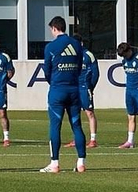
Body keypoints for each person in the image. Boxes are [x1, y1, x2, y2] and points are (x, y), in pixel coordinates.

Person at [39, 16, 89, 173]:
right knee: (77, 125)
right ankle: (81, 162)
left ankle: (54, 163)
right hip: (74, 90)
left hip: (57, 90)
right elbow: (80, 65)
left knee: (55, 125)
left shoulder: (51, 47)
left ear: (54, 28)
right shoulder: (76, 44)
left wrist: (54, 81)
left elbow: (46, 70)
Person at [67, 36, 100, 149]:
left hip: (85, 87)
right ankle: (77, 138)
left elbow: (96, 73)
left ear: (81, 43)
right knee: (74, 113)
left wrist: (91, 87)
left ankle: (93, 139)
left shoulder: (88, 55)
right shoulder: (71, 55)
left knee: (89, 112)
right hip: (74, 87)